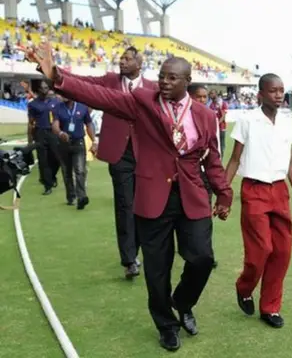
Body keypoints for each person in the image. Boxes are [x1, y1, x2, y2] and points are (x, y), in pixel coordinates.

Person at [26, 42, 233, 352]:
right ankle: (166, 324)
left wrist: (224, 193)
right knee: (157, 267)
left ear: (187, 81)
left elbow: (212, 159)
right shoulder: (142, 102)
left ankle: (183, 302)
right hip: (152, 196)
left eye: (172, 78)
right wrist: (58, 76)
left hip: (192, 195)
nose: (164, 82)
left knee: (203, 258)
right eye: (161, 76)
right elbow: (100, 96)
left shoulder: (204, 115)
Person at [59, 46, 155, 279]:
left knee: (144, 206)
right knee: (124, 205)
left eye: (127, 58)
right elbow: (83, 82)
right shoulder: (110, 81)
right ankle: (129, 259)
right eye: (120, 58)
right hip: (120, 155)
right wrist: (55, 72)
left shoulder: (153, 88)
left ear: (139, 63)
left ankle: (139, 251)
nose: (121, 61)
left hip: (147, 156)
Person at [225, 73, 292, 329]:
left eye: (282, 90)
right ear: (260, 94)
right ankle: (245, 286)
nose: (279, 95)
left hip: (279, 191)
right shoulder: (247, 120)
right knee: (261, 251)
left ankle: (270, 308)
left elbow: (290, 163)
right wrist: (224, 193)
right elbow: (235, 159)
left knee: (282, 252)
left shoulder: (287, 123)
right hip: (254, 190)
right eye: (273, 90)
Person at [189, 83, 219, 268]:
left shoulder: (210, 117)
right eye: (198, 96)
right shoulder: (181, 118)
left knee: (205, 214)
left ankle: (207, 253)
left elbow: (216, 148)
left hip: (205, 173)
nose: (202, 100)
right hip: (187, 174)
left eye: (204, 97)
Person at [51, 95, 96, 209]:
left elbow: (89, 124)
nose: (64, 96)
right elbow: (55, 125)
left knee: (80, 170)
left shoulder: (82, 107)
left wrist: (94, 140)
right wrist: (60, 133)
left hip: (78, 143)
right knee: (67, 172)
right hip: (63, 144)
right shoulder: (57, 108)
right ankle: (71, 196)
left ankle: (81, 197)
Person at [27, 79, 60, 195]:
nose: (45, 90)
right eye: (43, 88)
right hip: (40, 133)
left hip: (53, 132)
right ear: (38, 89)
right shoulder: (33, 104)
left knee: (57, 158)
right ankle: (47, 185)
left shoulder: (56, 102)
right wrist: (30, 139)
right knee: (43, 161)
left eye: (47, 87)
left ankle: (51, 176)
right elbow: (31, 122)